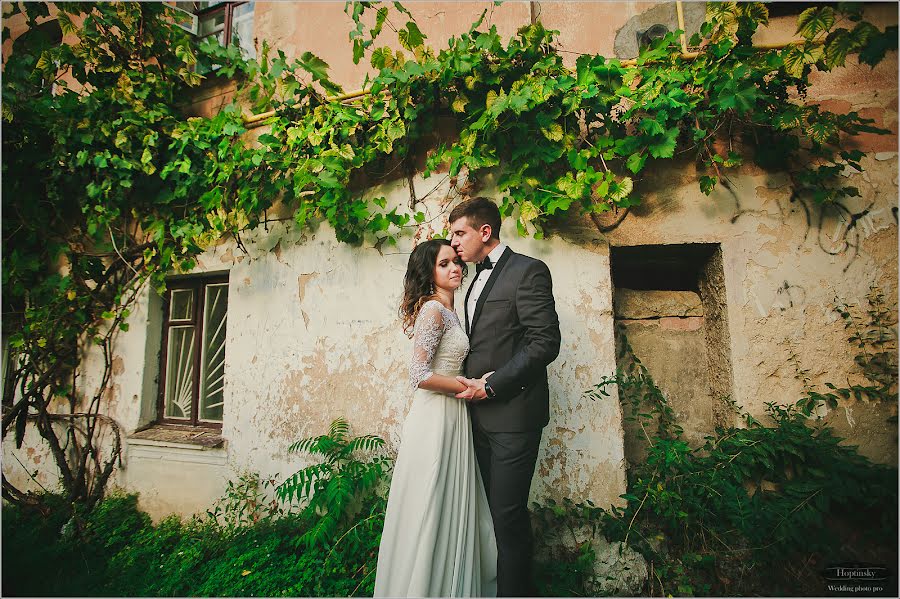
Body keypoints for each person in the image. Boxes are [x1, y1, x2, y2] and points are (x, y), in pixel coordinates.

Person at [374, 238, 498, 598]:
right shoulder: (433, 311)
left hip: (454, 413)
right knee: (431, 499)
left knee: (451, 501)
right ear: (429, 272)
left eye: (456, 261)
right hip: (436, 416)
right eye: (444, 264)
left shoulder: (451, 311)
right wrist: (467, 383)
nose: (455, 268)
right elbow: (418, 375)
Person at [450, 197, 561, 597]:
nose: (454, 242)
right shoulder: (470, 278)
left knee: (507, 516)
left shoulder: (528, 271)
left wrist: (493, 384)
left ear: (485, 232)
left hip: (514, 416)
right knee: (482, 515)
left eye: (460, 233)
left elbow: (544, 342)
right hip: (474, 418)